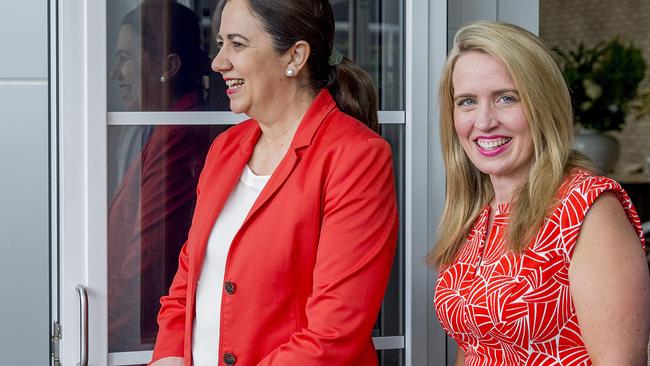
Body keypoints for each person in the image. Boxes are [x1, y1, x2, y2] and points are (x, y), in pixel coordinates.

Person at [149, 0, 398, 365]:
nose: (218, 62)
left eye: (236, 44)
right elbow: (188, 280)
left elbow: (334, 334)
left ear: (294, 56)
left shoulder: (356, 157)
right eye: (220, 44)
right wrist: (167, 355)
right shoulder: (225, 149)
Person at [429, 21, 650, 365]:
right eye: (468, 101)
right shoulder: (473, 212)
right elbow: (474, 347)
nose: (484, 121)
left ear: (541, 105)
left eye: (506, 98)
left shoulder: (587, 207)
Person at [107, 0, 216, 351]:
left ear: (168, 66)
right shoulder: (146, 128)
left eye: (125, 58)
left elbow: (146, 266)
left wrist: (100, 334)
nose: (114, 74)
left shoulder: (180, 134)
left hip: (144, 339)